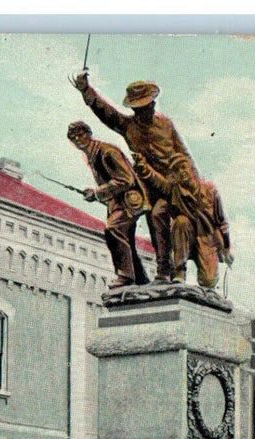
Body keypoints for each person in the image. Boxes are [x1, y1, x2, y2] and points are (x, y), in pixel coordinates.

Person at [73, 73, 195, 283]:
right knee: (156, 221)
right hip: (147, 188)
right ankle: (163, 271)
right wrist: (86, 91)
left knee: (174, 223)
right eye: (141, 106)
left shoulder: (166, 125)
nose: (147, 109)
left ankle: (177, 271)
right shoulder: (128, 126)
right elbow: (106, 113)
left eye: (149, 104)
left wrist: (192, 183)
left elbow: (184, 154)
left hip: (172, 185)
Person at [67, 121, 150, 287]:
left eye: (80, 134)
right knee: (127, 241)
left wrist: (97, 193)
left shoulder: (106, 152)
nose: (77, 139)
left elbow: (126, 180)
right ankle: (140, 280)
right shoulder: (91, 155)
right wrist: (96, 195)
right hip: (117, 203)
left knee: (114, 230)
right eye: (73, 137)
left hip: (130, 201)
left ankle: (126, 276)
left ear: (89, 134)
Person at [134, 153, 233, 288]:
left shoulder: (210, 190)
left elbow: (222, 222)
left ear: (191, 170)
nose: (182, 172)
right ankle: (180, 272)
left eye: (183, 168)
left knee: (208, 281)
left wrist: (226, 248)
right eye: (177, 171)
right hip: (186, 238)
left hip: (207, 240)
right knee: (181, 221)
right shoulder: (176, 190)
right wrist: (144, 168)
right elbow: (159, 182)